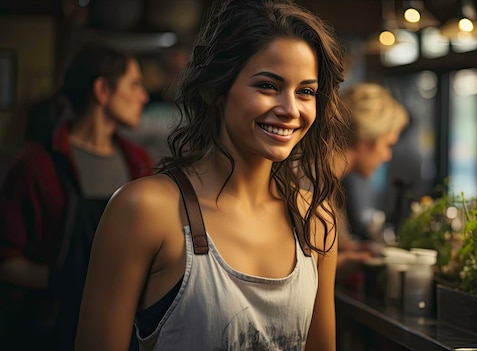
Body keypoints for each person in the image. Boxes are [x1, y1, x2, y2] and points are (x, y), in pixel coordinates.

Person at [75, 0, 348, 350]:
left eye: (305, 92)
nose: (290, 109)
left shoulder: (315, 219)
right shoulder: (145, 210)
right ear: (214, 90)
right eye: (267, 85)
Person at [0, 44, 152, 350]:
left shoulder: (138, 163)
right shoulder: (36, 165)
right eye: (134, 84)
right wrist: (65, 281)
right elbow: (5, 260)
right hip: (51, 330)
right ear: (102, 90)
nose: (144, 96)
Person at [333, 83, 409, 283]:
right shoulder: (312, 187)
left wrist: (352, 250)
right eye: (388, 145)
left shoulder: (330, 185)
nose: (387, 156)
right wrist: (343, 263)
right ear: (366, 139)